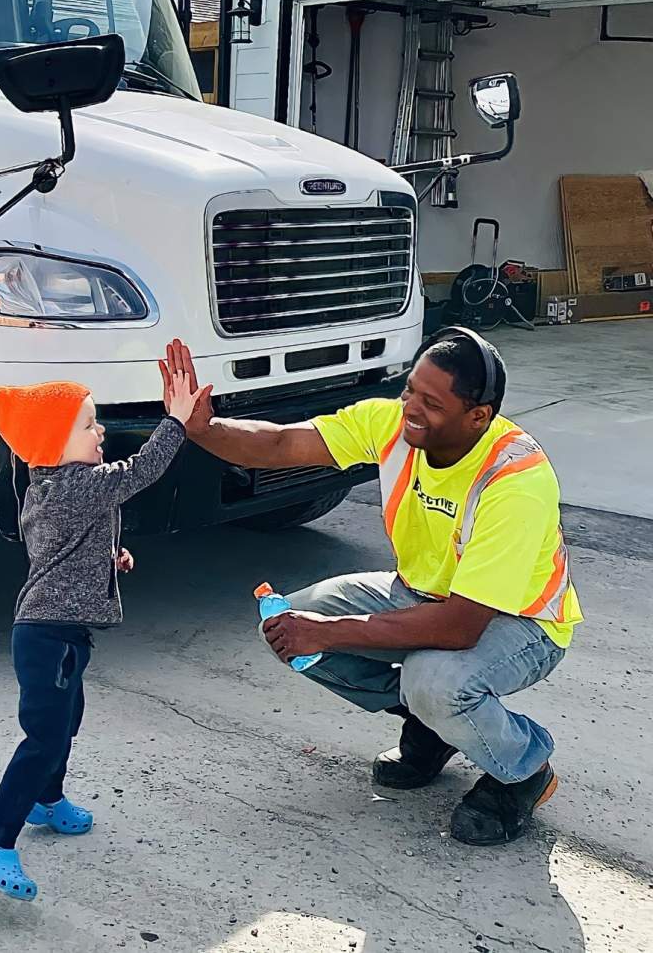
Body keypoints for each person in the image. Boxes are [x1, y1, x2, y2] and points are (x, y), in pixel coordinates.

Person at [160, 331, 582, 846]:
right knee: (288, 622)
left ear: (478, 416)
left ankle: (523, 770)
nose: (411, 410)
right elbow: (282, 443)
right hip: (417, 594)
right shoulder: (393, 424)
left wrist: (331, 632)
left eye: (432, 403)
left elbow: (459, 626)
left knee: (433, 680)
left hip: (521, 622)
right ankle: (436, 727)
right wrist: (203, 428)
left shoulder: (514, 481)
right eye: (410, 392)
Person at [0, 369, 204, 901]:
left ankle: (47, 800)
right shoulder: (77, 487)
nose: (100, 433)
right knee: (44, 737)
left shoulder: (49, 488)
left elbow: (59, 551)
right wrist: (177, 422)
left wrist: (106, 557)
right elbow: (140, 471)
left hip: (58, 635)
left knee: (65, 722)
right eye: (88, 425)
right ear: (55, 442)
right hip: (49, 637)